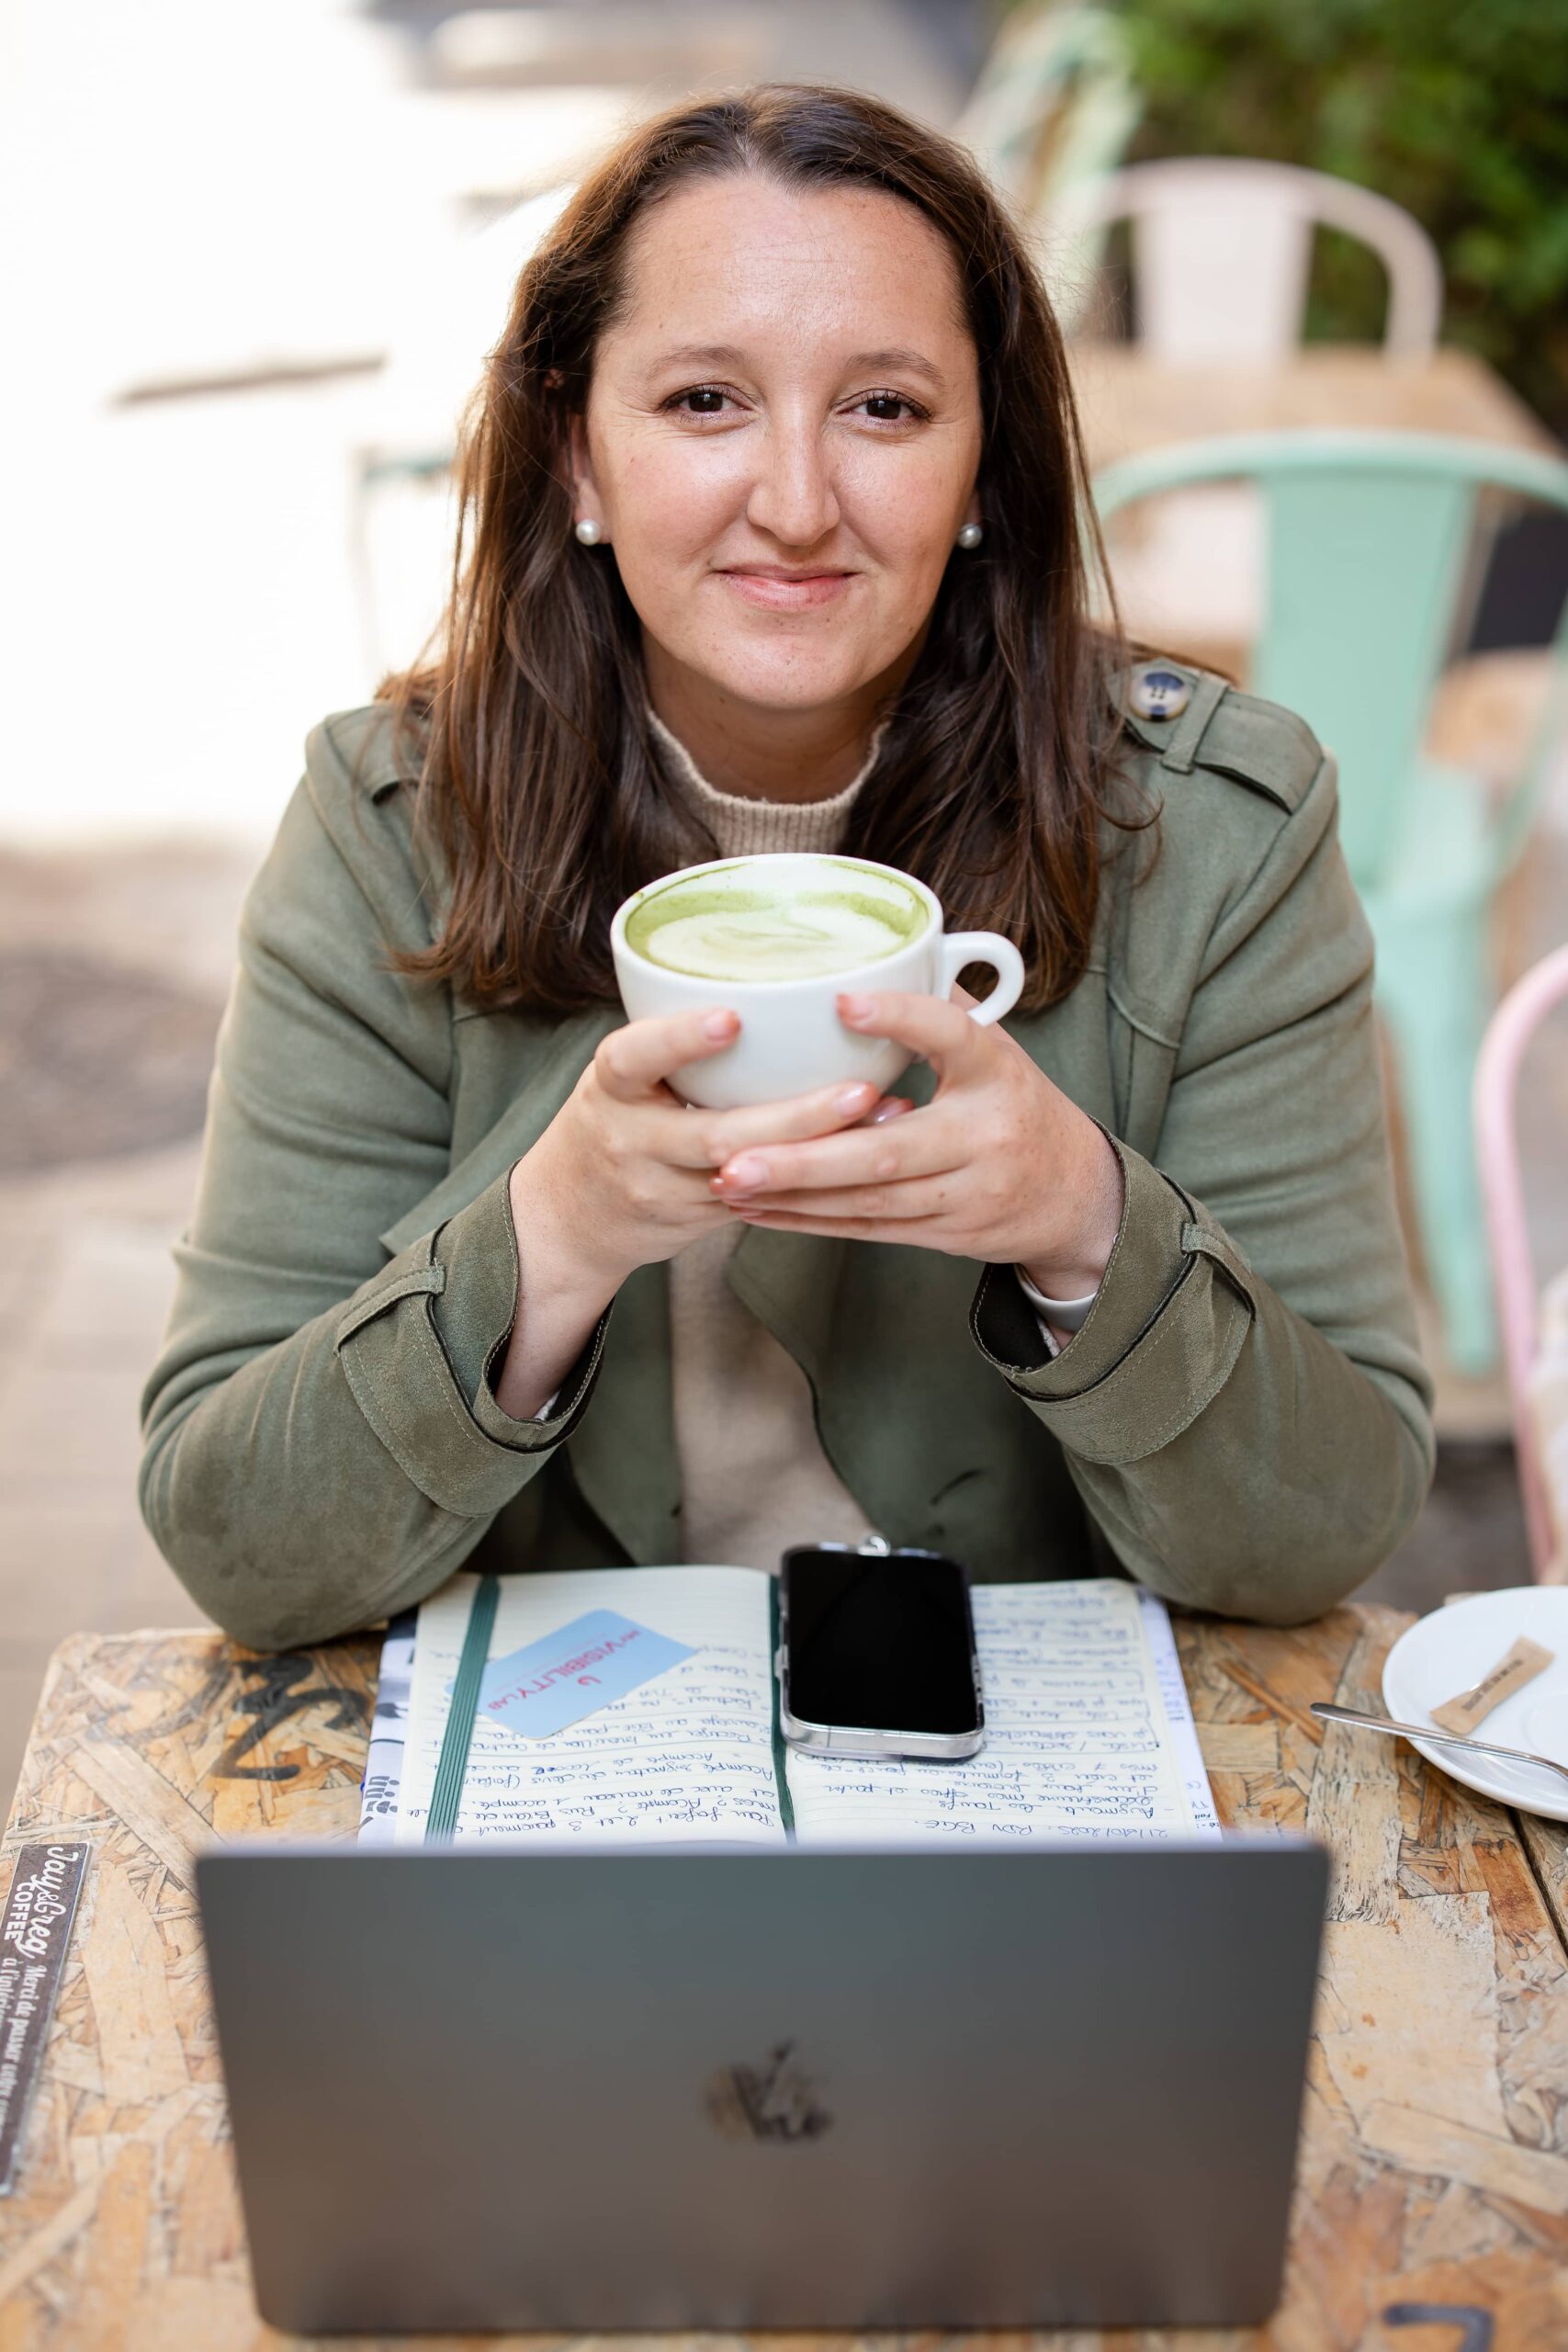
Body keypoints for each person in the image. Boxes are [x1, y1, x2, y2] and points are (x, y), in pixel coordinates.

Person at [140, 85, 1433, 1653]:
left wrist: (1086, 1224)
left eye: (885, 408)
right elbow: (240, 1547)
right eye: (705, 402)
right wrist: (551, 1235)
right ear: (576, 455)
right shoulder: (393, 828)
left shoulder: (1215, 830)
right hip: (581, 1740)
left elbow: (1322, 1538)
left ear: (984, 468)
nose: (800, 505)